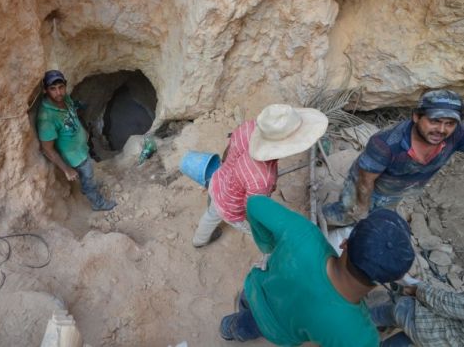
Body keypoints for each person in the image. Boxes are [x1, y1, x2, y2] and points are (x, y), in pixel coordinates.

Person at [219, 196, 415, 346]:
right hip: (275, 328)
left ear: (345, 243)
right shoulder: (359, 335)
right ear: (385, 281)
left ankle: (227, 327)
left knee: (244, 311)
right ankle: (233, 329)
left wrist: (268, 246)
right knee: (249, 326)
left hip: (257, 289)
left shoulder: (305, 235)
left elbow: (255, 204)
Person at [192, 104, 328, 247]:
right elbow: (253, 210)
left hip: (218, 181)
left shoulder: (248, 127)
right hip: (232, 206)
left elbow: (226, 154)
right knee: (253, 229)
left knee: (211, 214)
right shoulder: (262, 179)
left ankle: (199, 241)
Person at [323, 89, 464, 227]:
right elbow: (365, 180)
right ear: (416, 117)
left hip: (396, 192)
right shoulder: (385, 144)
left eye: (449, 123)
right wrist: (362, 209)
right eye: (434, 121)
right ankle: (318, 220)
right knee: (346, 213)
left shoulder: (456, 135)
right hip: (366, 185)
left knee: (379, 219)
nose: (441, 130)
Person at [37, 70, 116, 211]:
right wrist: (67, 170)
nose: (58, 92)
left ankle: (87, 186)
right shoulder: (46, 117)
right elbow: (47, 149)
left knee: (88, 172)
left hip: (82, 148)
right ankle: (98, 203)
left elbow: (73, 113)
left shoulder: (65, 99)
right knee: (88, 176)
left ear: (65, 86)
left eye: (61, 87)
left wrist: (83, 130)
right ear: (45, 90)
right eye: (53, 89)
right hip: (74, 157)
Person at [370, 282, 464, 346]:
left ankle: (360, 325)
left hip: (423, 324)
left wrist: (416, 289)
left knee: (380, 315)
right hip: (436, 342)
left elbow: (443, 302)